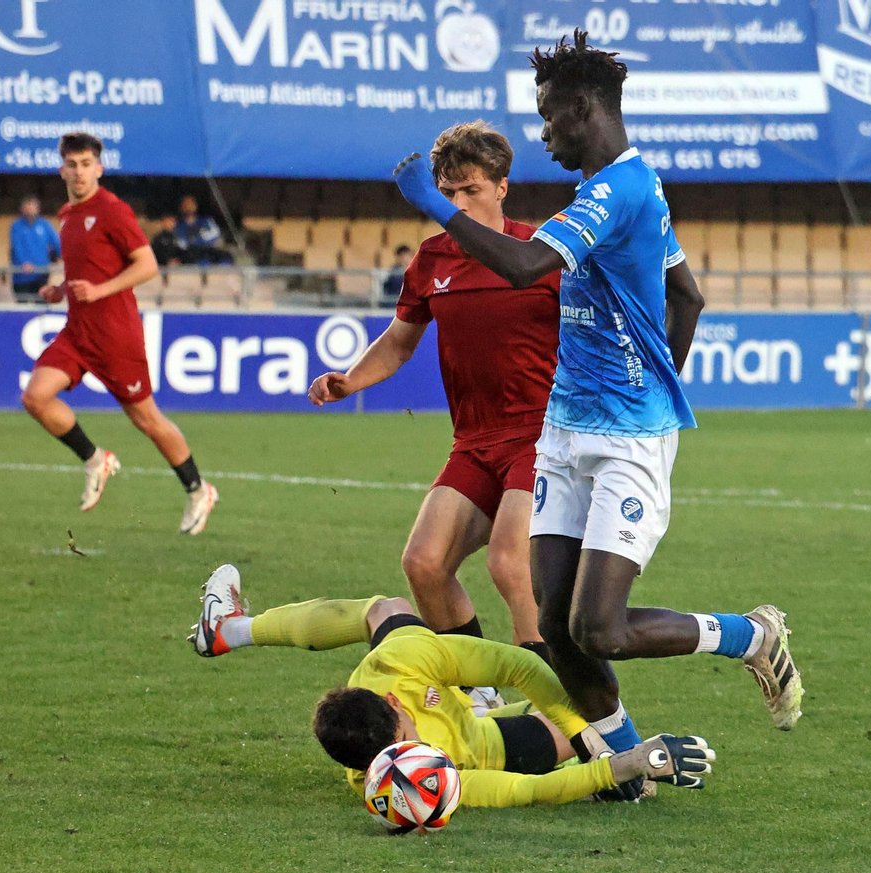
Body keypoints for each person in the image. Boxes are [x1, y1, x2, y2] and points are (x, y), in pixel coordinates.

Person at [391, 32, 802, 767]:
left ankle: (752, 635)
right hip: (564, 433)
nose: (543, 133)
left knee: (601, 629)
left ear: (583, 108)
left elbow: (523, 265)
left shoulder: (619, 190)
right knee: (555, 629)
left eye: (549, 117)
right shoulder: (620, 189)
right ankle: (624, 766)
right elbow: (689, 295)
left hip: (624, 443)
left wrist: (432, 202)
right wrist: (655, 375)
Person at [309, 122, 560, 681]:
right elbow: (399, 344)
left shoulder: (542, 253)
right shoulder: (431, 259)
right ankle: (477, 695)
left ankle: (563, 714)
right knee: (423, 564)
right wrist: (350, 380)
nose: (458, 203)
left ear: (501, 187)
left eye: (470, 190)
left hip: (541, 438)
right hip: (473, 444)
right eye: (447, 192)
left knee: (509, 563)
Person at [188, 564, 715, 807]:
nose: (412, 749)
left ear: (392, 700)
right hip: (480, 748)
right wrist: (620, 765)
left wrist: (589, 738)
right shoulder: (414, 782)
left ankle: (230, 630)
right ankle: (501, 715)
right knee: (564, 731)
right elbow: (527, 790)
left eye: (406, 736)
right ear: (362, 771)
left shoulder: (401, 661)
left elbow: (520, 667)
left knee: (386, 610)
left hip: (437, 681)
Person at [21, 132, 218, 534]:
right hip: (77, 332)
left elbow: (147, 266)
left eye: (86, 163)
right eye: (72, 165)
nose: (79, 172)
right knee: (35, 397)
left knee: (146, 419)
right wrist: (61, 289)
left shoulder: (112, 210)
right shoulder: (66, 215)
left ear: (99, 167)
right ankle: (96, 460)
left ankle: (199, 490)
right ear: (62, 169)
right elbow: (85, 269)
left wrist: (98, 291)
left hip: (115, 335)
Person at [10, 195, 61, 302]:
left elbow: (56, 242)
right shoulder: (16, 226)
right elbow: (16, 246)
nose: (30, 210)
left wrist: (61, 255)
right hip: (22, 276)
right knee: (22, 308)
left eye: (32, 207)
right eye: (27, 207)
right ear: (22, 209)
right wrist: (24, 263)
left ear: (37, 208)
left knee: (41, 304)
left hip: (41, 274)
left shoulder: (45, 225)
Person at [172, 196, 232, 265]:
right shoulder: (178, 226)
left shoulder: (207, 221)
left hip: (209, 250)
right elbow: (182, 243)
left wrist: (199, 239)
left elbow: (216, 235)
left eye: (191, 204)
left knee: (226, 259)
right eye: (185, 204)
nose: (188, 207)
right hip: (192, 255)